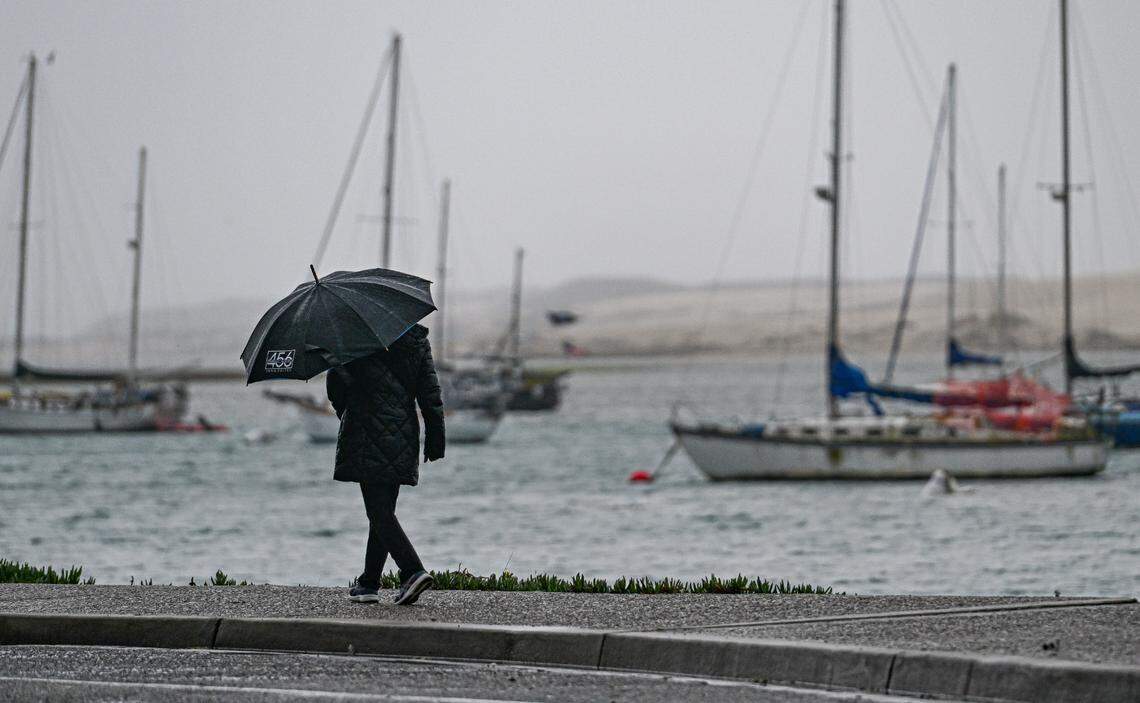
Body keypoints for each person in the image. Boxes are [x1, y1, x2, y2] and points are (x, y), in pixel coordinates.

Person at [326, 324, 445, 605]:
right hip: (403, 433)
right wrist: (435, 439)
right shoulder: (417, 341)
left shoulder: (350, 340)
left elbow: (336, 387)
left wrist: (347, 413)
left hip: (365, 431)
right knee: (383, 511)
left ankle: (412, 570)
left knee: (378, 511)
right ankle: (369, 583)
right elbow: (430, 394)